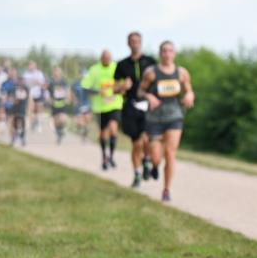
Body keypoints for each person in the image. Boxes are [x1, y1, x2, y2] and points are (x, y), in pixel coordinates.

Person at [139, 40, 195, 202]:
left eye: (170, 50)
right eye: (164, 51)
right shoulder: (151, 73)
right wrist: (149, 96)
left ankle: (166, 189)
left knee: (170, 152)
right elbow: (140, 90)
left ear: (174, 53)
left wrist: (190, 95)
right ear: (160, 53)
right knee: (157, 156)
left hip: (174, 116)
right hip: (155, 118)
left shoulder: (181, 73)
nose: (167, 53)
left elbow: (189, 89)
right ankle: (153, 164)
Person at [114, 32, 157, 188]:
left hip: (148, 105)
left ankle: (146, 160)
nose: (135, 43)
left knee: (147, 139)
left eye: (137, 41)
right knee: (136, 143)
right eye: (132, 41)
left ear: (141, 43)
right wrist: (122, 87)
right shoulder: (122, 65)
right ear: (128, 43)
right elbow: (114, 89)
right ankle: (137, 174)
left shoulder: (150, 61)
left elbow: (159, 81)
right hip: (131, 106)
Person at [81, 50, 122, 169]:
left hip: (115, 105)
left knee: (114, 129)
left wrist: (119, 88)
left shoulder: (117, 68)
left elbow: (124, 83)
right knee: (103, 134)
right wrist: (97, 91)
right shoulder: (94, 70)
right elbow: (85, 87)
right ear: (101, 58)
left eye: (109, 58)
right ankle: (104, 157)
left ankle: (112, 156)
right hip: (100, 107)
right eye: (104, 58)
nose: (107, 60)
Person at [1, 67, 29, 147]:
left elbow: (25, 95)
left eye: (14, 73)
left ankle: (20, 137)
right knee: (11, 122)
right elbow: (4, 95)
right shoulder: (5, 83)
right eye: (11, 73)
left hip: (19, 106)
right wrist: (6, 103)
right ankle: (13, 138)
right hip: (9, 106)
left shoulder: (20, 84)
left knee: (19, 121)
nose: (12, 74)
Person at [47, 66, 71, 144]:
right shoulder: (51, 83)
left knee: (63, 119)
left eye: (58, 72)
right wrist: (49, 100)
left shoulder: (63, 82)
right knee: (56, 121)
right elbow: (47, 93)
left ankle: (60, 131)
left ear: (60, 73)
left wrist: (68, 98)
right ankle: (59, 133)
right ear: (53, 73)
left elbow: (67, 90)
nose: (56, 73)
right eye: (55, 72)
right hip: (54, 104)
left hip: (62, 104)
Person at [22, 61, 47, 133]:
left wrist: (37, 82)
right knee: (30, 109)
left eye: (33, 65)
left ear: (35, 66)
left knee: (38, 110)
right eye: (30, 65)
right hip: (30, 94)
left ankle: (36, 122)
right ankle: (31, 122)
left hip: (38, 94)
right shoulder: (26, 74)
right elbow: (24, 84)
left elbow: (43, 84)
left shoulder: (39, 74)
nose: (31, 67)